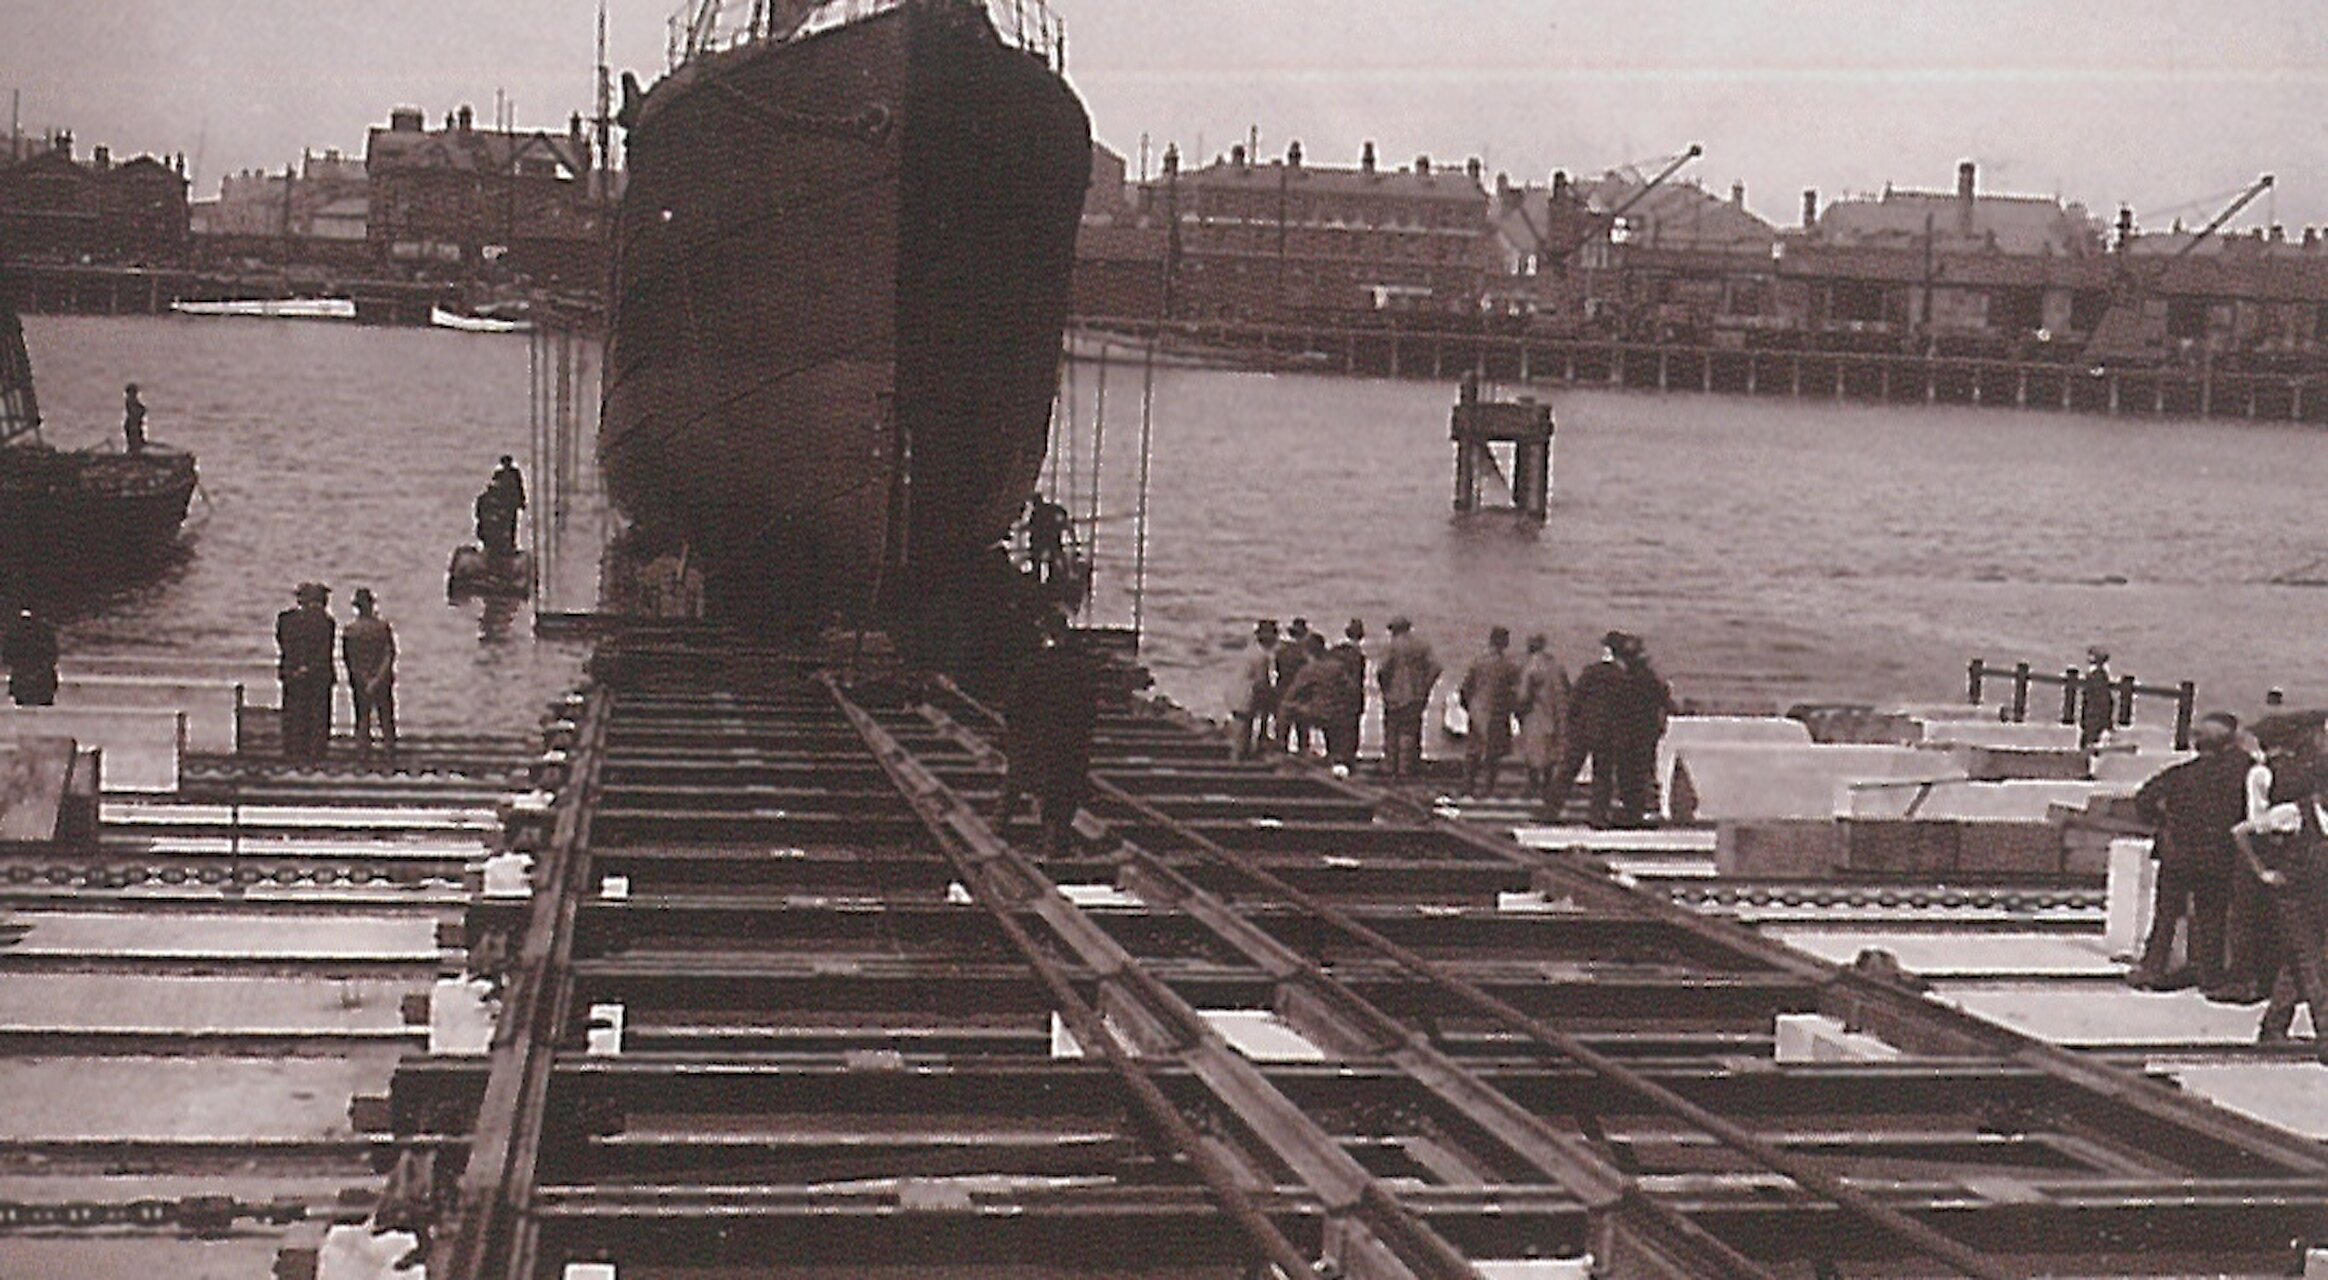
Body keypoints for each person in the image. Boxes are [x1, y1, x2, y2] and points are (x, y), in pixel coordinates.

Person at [2128, 711, 2248, 993]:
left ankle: (2153, 969)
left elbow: (2143, 799)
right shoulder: (2239, 775)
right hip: (2216, 856)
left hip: (2176, 855)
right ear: (2228, 744)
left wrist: (2161, 822)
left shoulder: (2180, 775)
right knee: (2212, 918)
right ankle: (2212, 977)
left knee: (2166, 915)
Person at [2232, 712, 2328, 1058]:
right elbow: (2242, 832)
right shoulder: (2294, 813)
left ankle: (2273, 1027)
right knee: (2315, 962)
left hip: (2322, 898)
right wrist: (2263, 872)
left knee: (2297, 963)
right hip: (2294, 899)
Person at [992, 610, 1098, 856]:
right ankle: (1055, 841)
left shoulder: (1031, 666)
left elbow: (1011, 709)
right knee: (1064, 792)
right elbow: (1090, 713)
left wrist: (1015, 734)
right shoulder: (1080, 669)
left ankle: (996, 833)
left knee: (1015, 784)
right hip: (1069, 745)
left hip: (1034, 743)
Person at [1542, 632, 1632, 825]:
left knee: (1567, 771)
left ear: (1606, 649)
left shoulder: (1590, 671)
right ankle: (1597, 816)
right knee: (1603, 776)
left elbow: (1574, 700)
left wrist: (1571, 724)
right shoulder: (1622, 677)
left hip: (1583, 729)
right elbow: (1625, 710)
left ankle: (1550, 811)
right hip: (1607, 732)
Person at [1609, 633, 1676, 827]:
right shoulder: (1649, 678)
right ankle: (1645, 809)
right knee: (1644, 770)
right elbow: (1666, 701)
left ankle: (1631, 809)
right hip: (1645, 731)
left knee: (1627, 772)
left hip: (1628, 731)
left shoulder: (1622, 678)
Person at [275, 582, 337, 764]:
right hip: (318, 674)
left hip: (291, 672)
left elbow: (283, 643)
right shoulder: (326, 622)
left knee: (293, 713)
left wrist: (296, 667)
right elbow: (325, 650)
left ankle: (293, 750)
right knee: (318, 715)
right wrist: (308, 667)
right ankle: (316, 754)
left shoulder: (286, 619)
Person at [1456, 626, 1521, 796]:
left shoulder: (1478, 662)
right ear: (1505, 643)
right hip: (1498, 714)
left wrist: (1468, 706)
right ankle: (1487, 788)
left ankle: (1467, 787)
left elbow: (1465, 688)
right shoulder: (1510, 667)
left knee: (1473, 750)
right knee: (1493, 753)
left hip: (1477, 711)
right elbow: (1516, 694)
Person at [1375, 616, 1440, 781]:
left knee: (1392, 731)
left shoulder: (1392, 647)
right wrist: (1425, 687)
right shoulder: (1422, 646)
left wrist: (1385, 689)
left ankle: (1392, 768)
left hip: (1394, 697)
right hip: (1416, 696)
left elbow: (1382, 670)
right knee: (1411, 731)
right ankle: (1408, 766)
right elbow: (1436, 667)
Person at [342, 587, 398, 768]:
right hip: (382, 679)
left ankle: (362, 752)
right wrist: (378, 677)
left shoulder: (350, 630)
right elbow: (389, 655)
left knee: (362, 716)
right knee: (385, 717)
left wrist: (364, 679)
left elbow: (350, 659)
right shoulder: (383, 627)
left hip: (361, 680)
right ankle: (389, 750)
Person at [1515, 634, 1570, 806]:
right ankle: (1547, 786)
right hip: (1556, 714)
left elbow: (1523, 696)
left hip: (1536, 713)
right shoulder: (1556, 665)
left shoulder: (1532, 666)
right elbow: (1568, 689)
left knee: (1532, 751)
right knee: (1550, 752)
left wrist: (1518, 711)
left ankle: (1533, 786)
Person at [1224, 619, 1278, 761]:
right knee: (1242, 737)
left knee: (1240, 733)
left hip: (1235, 694)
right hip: (1245, 698)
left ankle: (1237, 760)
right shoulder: (1261, 656)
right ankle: (1237, 763)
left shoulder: (1250, 650)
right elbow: (1262, 683)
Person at [1273, 632, 1334, 758]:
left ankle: (1281, 748)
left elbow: (1289, 687)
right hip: (1324, 704)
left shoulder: (1305, 668)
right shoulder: (1332, 665)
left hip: (1308, 705)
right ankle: (1303, 748)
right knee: (1301, 721)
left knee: (1285, 716)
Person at [1325, 619, 1367, 773]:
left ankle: (1334, 758)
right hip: (1353, 698)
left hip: (1336, 697)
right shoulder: (1358, 656)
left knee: (1335, 730)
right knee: (1351, 732)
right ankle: (1347, 762)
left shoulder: (1336, 651)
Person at [2, 608, 58, 707]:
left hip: (35, 674)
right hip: (30, 674)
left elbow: (7, 655)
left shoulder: (16, 633)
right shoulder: (44, 632)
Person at [1271, 617, 1313, 750]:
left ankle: (1281, 755)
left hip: (1284, 693)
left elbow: (1278, 671)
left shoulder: (1282, 651)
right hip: (1302, 696)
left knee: (1282, 732)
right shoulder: (1306, 654)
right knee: (1303, 732)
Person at [2078, 645, 2116, 751]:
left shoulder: (2095, 678)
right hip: (2094, 721)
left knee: (2089, 749)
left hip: (2093, 722)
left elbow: (2097, 702)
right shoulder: (2102, 677)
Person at [121, 383, 147, 453]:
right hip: (132, 424)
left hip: (135, 424)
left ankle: (134, 453)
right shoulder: (130, 401)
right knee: (134, 442)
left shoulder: (132, 401)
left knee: (137, 441)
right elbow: (136, 411)